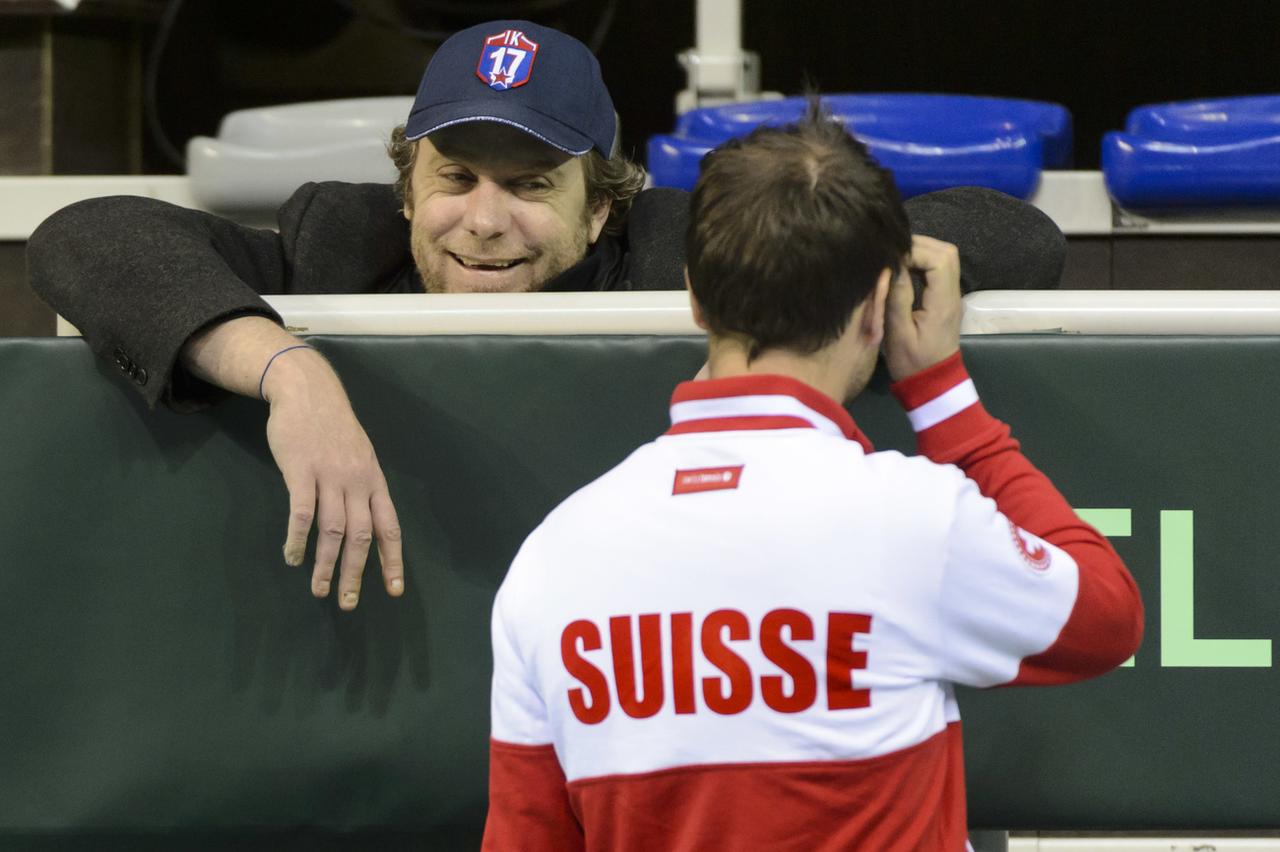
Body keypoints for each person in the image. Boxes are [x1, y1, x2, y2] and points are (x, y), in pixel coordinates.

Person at [27, 20, 1066, 611]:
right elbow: (87, 234)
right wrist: (289, 370)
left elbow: (1006, 235)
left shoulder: (680, 248)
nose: (482, 222)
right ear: (405, 186)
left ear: (602, 203)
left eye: (530, 185)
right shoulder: (335, 247)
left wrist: (812, 262)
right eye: (455, 177)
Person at [483, 104, 1142, 851]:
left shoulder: (550, 560)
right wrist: (945, 396)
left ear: (695, 295)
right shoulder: (913, 520)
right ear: (876, 308)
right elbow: (1108, 616)